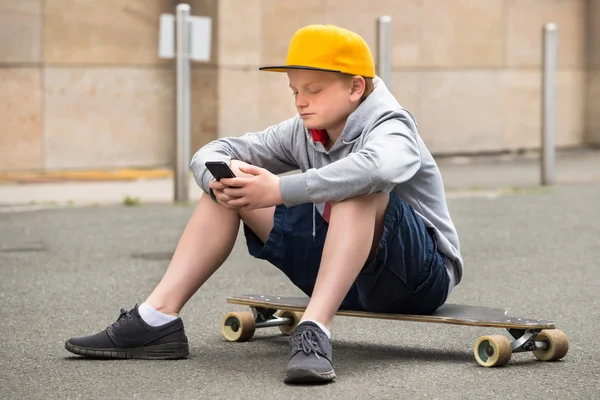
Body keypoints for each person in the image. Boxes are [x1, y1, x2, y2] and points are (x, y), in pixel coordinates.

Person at [64, 24, 463, 384]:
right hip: (340, 272)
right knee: (229, 184)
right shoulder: (304, 129)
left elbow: (377, 169)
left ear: (356, 88)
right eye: (295, 91)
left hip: (415, 279)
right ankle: (158, 319)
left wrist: (280, 191)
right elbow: (214, 151)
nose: (300, 102)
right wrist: (220, 175)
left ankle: (315, 330)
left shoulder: (392, 125)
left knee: (359, 187)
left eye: (313, 89)